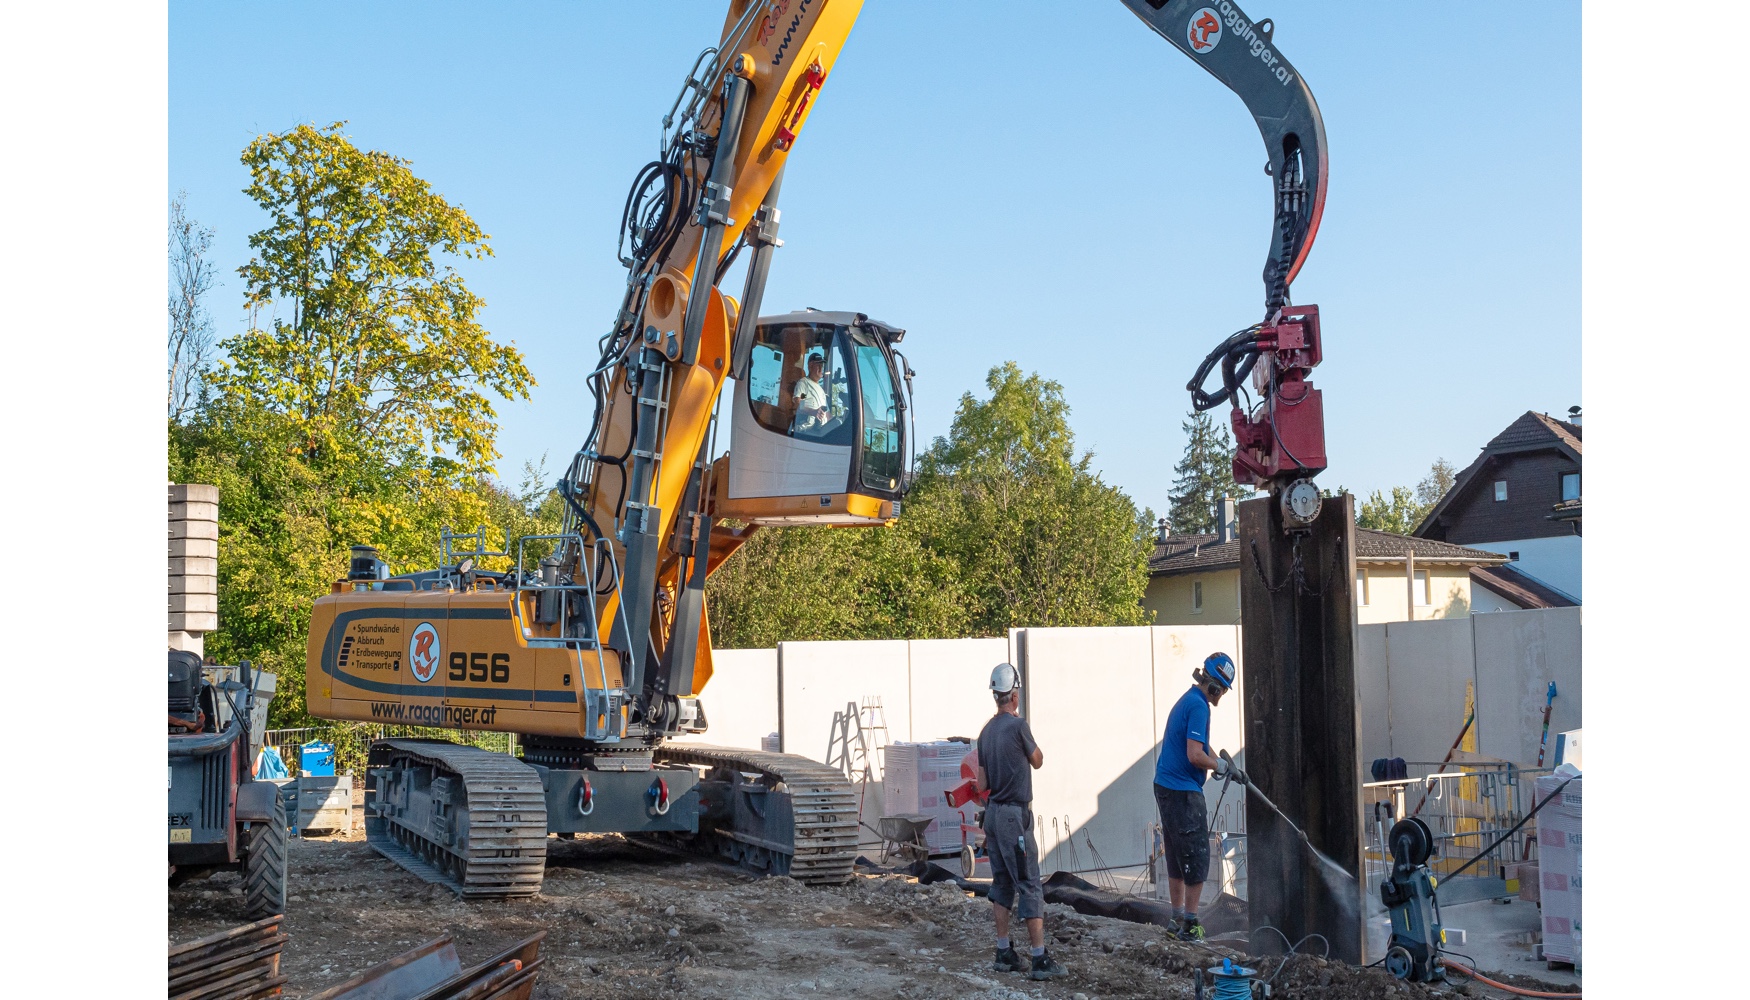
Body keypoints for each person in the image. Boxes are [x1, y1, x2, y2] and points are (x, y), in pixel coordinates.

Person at [974, 663, 1067, 981]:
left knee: (1001, 884)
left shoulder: (984, 733)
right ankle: (1040, 958)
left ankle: (1004, 952)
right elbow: (1038, 760)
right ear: (1014, 694)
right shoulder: (1019, 727)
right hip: (1015, 816)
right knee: (1029, 884)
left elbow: (981, 781)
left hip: (993, 815)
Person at [1152, 651, 1241, 941]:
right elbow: (1194, 755)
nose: (1222, 696)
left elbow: (1201, 745)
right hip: (1181, 791)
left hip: (1165, 786)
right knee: (1196, 856)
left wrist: (1219, 763)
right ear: (1215, 686)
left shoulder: (1188, 700)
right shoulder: (1200, 706)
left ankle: (1176, 919)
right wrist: (1219, 765)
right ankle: (1190, 925)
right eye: (1223, 691)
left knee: (1177, 856)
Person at [790, 351, 829, 433]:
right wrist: (813, 412)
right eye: (819, 365)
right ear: (810, 366)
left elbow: (826, 414)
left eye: (822, 365)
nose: (822, 368)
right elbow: (799, 404)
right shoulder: (804, 383)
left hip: (820, 432)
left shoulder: (821, 391)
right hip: (806, 431)